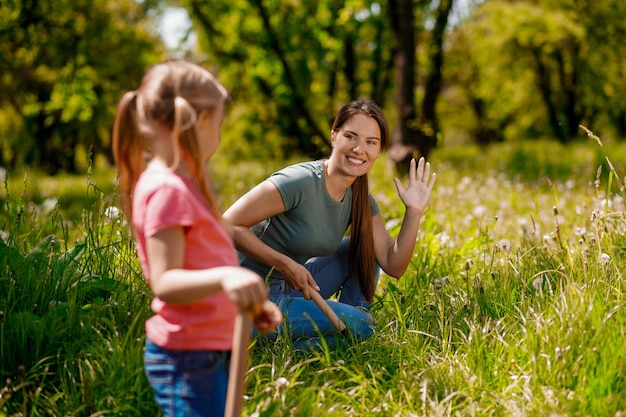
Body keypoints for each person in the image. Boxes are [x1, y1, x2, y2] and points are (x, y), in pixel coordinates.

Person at [111, 60, 282, 417]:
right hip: (188, 358)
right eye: (218, 126)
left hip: (209, 348)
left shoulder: (184, 187)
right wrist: (226, 277)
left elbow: (206, 261)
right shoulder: (166, 190)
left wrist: (246, 303)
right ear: (201, 122)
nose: (218, 137)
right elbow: (165, 280)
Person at [223, 99, 435, 348]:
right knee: (362, 327)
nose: (359, 149)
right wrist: (284, 263)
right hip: (245, 298)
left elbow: (393, 263)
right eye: (351, 136)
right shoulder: (299, 182)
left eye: (371, 142)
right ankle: (315, 344)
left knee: (362, 249)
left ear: (379, 150)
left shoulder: (360, 200)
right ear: (334, 136)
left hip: (288, 288)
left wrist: (413, 211)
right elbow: (227, 225)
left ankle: (346, 333)